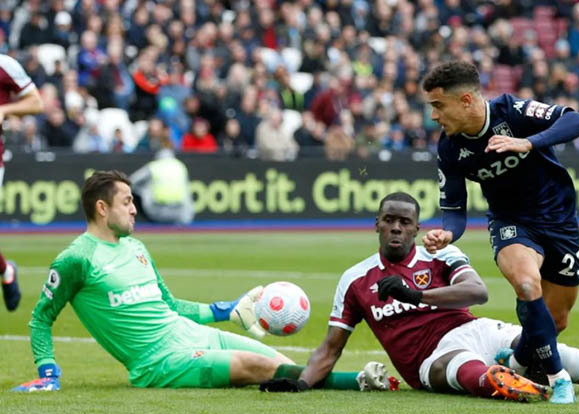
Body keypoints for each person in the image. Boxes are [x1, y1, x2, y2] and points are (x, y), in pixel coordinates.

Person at [12, 170, 384, 393]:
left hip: (188, 333)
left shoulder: (136, 246)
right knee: (257, 365)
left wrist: (228, 310)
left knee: (278, 361)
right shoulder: (77, 258)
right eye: (127, 201)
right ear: (101, 207)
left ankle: (354, 382)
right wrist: (48, 373)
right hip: (159, 362)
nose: (135, 208)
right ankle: (360, 381)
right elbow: (41, 318)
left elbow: (170, 307)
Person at [260, 193, 579, 402]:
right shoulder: (356, 280)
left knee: (566, 358)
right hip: (430, 360)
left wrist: (416, 293)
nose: (396, 227)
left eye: (404, 222)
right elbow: (331, 347)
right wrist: (303, 384)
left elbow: (478, 290)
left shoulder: (438, 253)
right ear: (376, 224)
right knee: (462, 370)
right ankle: (513, 383)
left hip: (476, 330)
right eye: (388, 219)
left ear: (416, 228)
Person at [419, 61, 579, 404]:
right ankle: (559, 379)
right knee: (527, 285)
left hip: (559, 220)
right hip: (511, 222)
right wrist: (447, 235)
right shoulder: (449, 148)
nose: (434, 117)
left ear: (466, 100)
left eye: (439, 106)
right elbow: (454, 211)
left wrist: (528, 143)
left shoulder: (512, 110)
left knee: (556, 321)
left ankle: (516, 361)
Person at [0, 53, 44, 312]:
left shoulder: (5, 65)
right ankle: (6, 270)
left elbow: (37, 103)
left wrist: (5, 109)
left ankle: (7, 272)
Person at [129, 149, 195, 225]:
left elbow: (131, 181)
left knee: (145, 188)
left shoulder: (153, 166)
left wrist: (139, 191)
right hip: (179, 214)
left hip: (157, 212)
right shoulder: (181, 166)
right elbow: (188, 192)